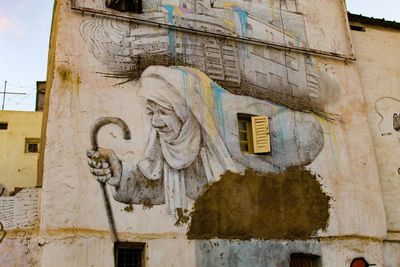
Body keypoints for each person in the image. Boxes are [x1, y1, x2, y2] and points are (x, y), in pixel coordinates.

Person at [87, 65, 324, 217]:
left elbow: (284, 140)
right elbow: (154, 186)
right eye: (151, 112)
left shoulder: (238, 126)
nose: (156, 122)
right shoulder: (173, 146)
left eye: (163, 112)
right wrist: (121, 177)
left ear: (183, 110)